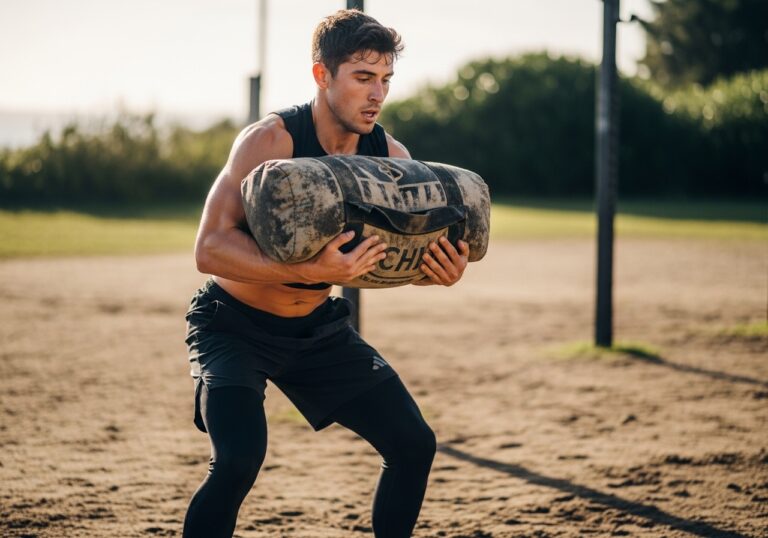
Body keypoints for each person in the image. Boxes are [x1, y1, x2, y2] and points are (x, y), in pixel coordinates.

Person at [183, 9, 470, 538]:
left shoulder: (391, 159)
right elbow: (209, 249)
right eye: (363, 77)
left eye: (385, 80)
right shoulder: (271, 142)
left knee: (413, 445)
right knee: (239, 460)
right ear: (322, 75)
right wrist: (305, 267)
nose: (377, 94)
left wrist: (436, 271)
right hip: (233, 327)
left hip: (317, 331)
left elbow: (394, 258)